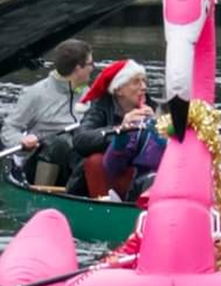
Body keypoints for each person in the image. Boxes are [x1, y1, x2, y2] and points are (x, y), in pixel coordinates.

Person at [0, 39, 96, 187]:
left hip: (74, 161)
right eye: (90, 64)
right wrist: (21, 140)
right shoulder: (36, 94)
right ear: (78, 68)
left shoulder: (88, 94)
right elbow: (8, 130)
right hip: (40, 161)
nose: (93, 68)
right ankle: (42, 195)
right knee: (60, 143)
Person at [66, 58, 160, 199]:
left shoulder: (153, 107)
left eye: (144, 81)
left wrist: (155, 125)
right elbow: (80, 139)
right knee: (95, 161)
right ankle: (105, 206)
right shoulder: (100, 108)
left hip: (141, 175)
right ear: (118, 90)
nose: (144, 87)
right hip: (104, 176)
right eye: (136, 82)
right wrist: (121, 129)